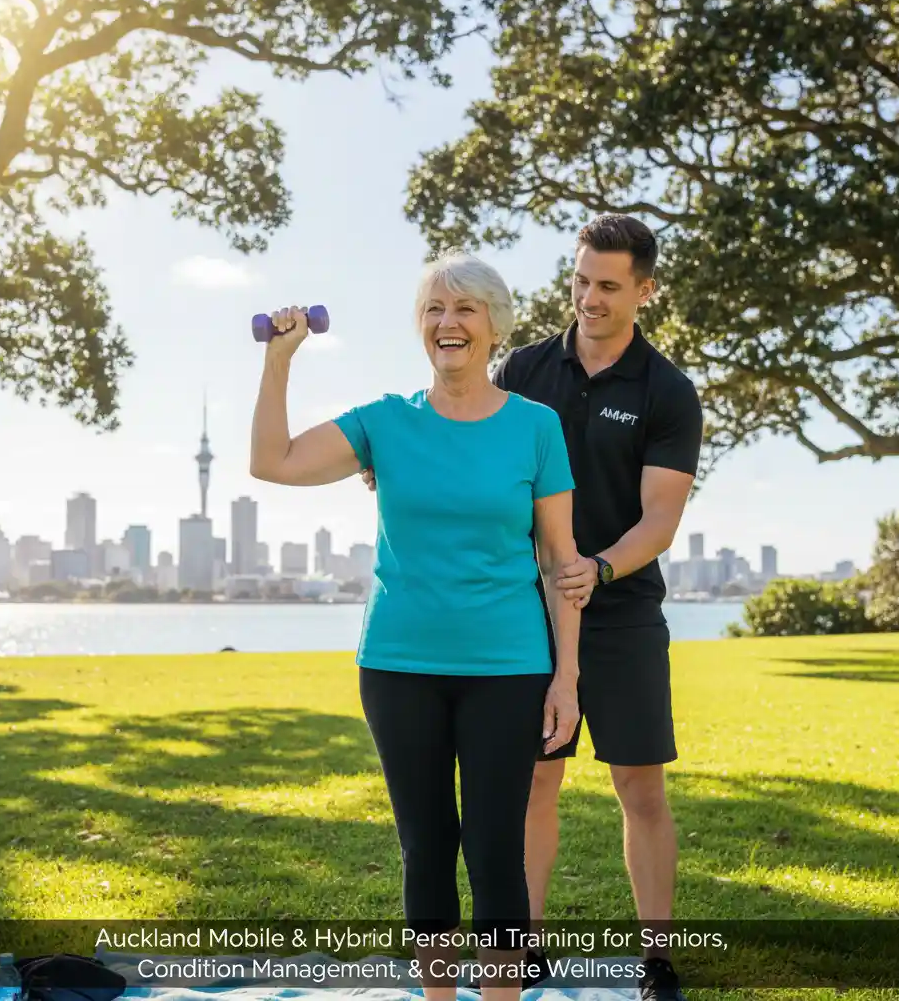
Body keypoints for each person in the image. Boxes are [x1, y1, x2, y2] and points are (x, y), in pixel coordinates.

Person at [361, 215, 703, 1001]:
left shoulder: (667, 391)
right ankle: (527, 950)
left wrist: (597, 569)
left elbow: (660, 518)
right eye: (580, 280)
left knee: (640, 789)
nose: (588, 298)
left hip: (618, 607)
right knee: (531, 787)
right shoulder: (522, 367)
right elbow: (464, 433)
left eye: (608, 286)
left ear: (644, 292)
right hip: (524, 617)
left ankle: (657, 961)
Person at [249, 252, 585, 1001]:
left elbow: (563, 563)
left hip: (509, 667)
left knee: (495, 851)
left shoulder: (536, 428)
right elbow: (272, 461)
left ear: (494, 325)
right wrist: (280, 361)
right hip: (400, 667)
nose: (448, 322)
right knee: (425, 849)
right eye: (434, 309)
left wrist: (567, 676)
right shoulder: (385, 423)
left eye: (465, 308)